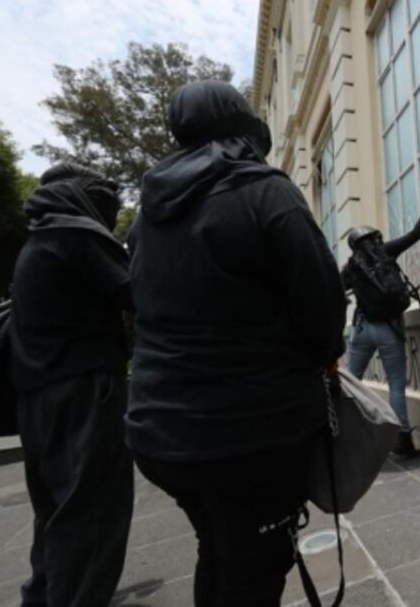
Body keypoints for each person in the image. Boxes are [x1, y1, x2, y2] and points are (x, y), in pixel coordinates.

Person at [125, 81, 346, 606]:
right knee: (254, 571)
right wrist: (323, 355)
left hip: (159, 431)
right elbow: (322, 303)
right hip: (248, 435)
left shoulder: (146, 217)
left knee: (219, 549)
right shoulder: (264, 189)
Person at [9, 163, 134, 607]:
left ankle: (43, 598)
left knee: (56, 514)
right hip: (84, 390)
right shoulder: (79, 234)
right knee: (93, 516)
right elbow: (137, 292)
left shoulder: (39, 238)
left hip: (36, 393)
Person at [342, 191, 420, 459]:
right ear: (374, 239)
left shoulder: (350, 267)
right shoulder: (385, 252)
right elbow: (416, 234)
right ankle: (403, 441)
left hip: (362, 329)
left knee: (351, 380)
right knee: (396, 384)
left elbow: (335, 289)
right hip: (389, 329)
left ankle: (345, 434)